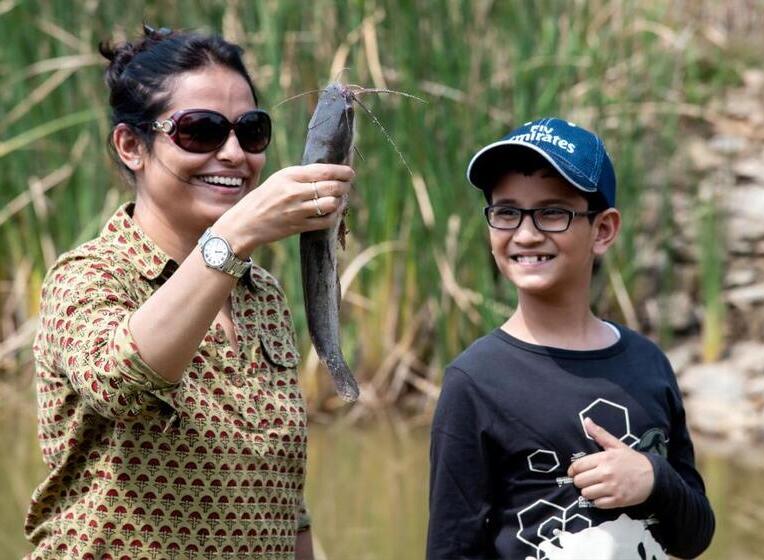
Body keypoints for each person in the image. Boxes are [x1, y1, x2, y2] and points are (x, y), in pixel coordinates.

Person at [25, 25, 353, 559]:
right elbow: (119, 381)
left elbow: (282, 498)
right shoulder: (88, 276)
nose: (233, 154)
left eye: (251, 132)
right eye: (200, 131)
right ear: (132, 146)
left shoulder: (262, 295)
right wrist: (235, 234)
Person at [426, 118, 715, 559]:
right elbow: (451, 549)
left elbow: (695, 537)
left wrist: (654, 480)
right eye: (507, 212)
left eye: (552, 212)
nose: (526, 234)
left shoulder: (648, 363)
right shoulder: (475, 381)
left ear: (603, 230)